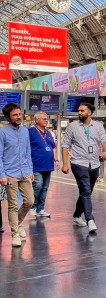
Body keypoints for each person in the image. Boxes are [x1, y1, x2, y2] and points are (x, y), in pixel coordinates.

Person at [61, 103, 106, 233]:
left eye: (82, 110)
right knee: (86, 191)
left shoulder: (98, 126)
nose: (79, 112)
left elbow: (105, 141)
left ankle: (77, 215)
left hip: (94, 163)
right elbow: (65, 145)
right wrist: (65, 164)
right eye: (78, 110)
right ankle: (90, 220)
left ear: (90, 112)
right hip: (78, 163)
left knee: (86, 192)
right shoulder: (72, 126)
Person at [0, 102, 35, 247]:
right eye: (15, 115)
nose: (18, 117)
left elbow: (28, 152)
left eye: (19, 114)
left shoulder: (25, 131)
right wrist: (2, 174)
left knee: (30, 202)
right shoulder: (2, 132)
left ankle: (18, 222)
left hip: (25, 172)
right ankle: (15, 234)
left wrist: (30, 170)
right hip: (10, 174)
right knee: (13, 205)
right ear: (8, 117)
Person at [29, 111, 60, 218]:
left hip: (48, 165)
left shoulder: (49, 133)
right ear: (36, 120)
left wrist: (56, 160)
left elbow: (53, 148)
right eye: (44, 119)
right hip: (36, 165)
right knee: (38, 185)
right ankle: (33, 207)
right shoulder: (30, 132)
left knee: (45, 188)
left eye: (47, 119)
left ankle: (40, 209)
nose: (46, 121)